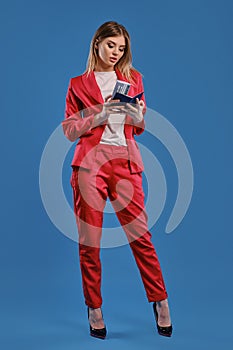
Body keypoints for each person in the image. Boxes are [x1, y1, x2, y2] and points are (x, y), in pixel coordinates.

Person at [62, 21, 172, 339]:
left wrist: (137, 115)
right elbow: (69, 129)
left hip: (124, 165)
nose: (116, 53)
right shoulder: (78, 83)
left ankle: (160, 303)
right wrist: (101, 112)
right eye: (111, 45)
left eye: (121, 48)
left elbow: (139, 126)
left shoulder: (133, 79)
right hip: (89, 167)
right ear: (97, 43)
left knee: (142, 239)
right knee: (90, 244)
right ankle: (94, 309)